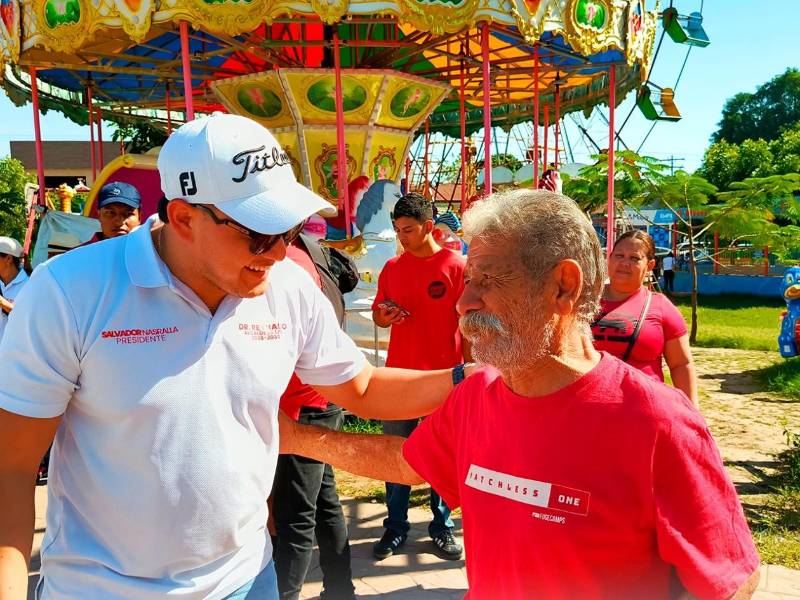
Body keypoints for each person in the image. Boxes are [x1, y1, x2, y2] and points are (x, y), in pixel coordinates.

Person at [0, 113, 468, 599]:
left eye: (286, 231)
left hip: (246, 580)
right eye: (258, 234)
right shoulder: (70, 291)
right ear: (183, 217)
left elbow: (362, 387)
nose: (278, 252)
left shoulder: (286, 286)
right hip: (100, 589)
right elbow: (11, 467)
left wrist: (471, 379)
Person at [281, 189, 761, 600]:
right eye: (469, 280)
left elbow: (730, 579)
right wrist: (290, 436)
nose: (465, 302)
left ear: (563, 286)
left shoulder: (657, 421)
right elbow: (408, 462)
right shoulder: (479, 393)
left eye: (489, 280)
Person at [370, 192, 466, 561]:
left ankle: (441, 526)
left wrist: (469, 377)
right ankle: (395, 527)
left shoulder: (456, 267)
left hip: (445, 380)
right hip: (398, 380)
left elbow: (470, 326)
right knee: (395, 456)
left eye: (408, 229)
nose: (401, 237)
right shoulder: (393, 268)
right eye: (397, 230)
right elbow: (379, 312)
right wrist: (385, 316)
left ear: (429, 227)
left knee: (443, 457)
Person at [272, 232, 359, 600]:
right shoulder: (306, 253)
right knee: (322, 500)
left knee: (294, 515)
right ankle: (340, 589)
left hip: (304, 402)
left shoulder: (286, 264)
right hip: (322, 397)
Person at [592, 230, 698, 407]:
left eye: (635, 258)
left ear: (650, 265)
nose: (625, 263)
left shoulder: (661, 307)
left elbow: (681, 364)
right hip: (588, 411)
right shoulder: (581, 302)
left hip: (643, 412)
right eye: (619, 255)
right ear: (608, 259)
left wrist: (693, 412)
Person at [81, 181, 141, 245]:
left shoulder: (150, 252)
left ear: (139, 217)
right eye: (110, 213)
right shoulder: (80, 253)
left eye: (128, 214)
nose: (119, 222)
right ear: (98, 215)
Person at [0, 236, 27, 343]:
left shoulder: (30, 285)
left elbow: (29, 319)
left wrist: (3, 303)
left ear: (8, 259)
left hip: (13, 356)